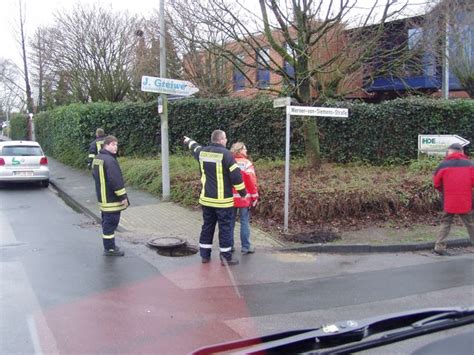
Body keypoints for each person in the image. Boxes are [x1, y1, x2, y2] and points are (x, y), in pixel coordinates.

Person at [183, 130, 247, 266]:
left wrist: (188, 140)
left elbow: (194, 147)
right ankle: (225, 258)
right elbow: (236, 176)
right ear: (221, 139)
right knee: (225, 228)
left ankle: (205, 256)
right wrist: (243, 193)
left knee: (207, 226)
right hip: (223, 202)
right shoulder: (226, 155)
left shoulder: (203, 152)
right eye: (225, 138)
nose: (226, 141)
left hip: (206, 200)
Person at [433, 143, 474, 256]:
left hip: (448, 200)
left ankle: (439, 247)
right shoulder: (470, 164)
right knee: (470, 224)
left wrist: (444, 191)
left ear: (449, 152)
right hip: (465, 200)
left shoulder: (443, 165)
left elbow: (436, 183)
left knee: (445, 223)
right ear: (461, 152)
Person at [92, 135, 129, 256]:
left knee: (106, 222)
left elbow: (95, 176)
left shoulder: (97, 158)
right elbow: (115, 181)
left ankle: (109, 246)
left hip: (102, 198)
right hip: (111, 199)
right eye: (113, 145)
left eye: (116, 145)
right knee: (111, 224)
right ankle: (110, 249)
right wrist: (123, 197)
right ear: (106, 145)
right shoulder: (110, 161)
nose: (116, 147)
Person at [230, 142, 259, 254]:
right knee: (244, 222)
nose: (246, 151)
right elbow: (251, 182)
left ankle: (229, 246)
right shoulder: (247, 164)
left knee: (230, 223)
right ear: (240, 150)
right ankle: (246, 247)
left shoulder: (229, 162)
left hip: (230, 198)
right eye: (245, 149)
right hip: (244, 197)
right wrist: (254, 196)